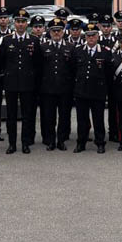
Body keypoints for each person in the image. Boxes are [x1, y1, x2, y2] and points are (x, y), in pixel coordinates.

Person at [0, 9, 39, 154]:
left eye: (23, 22)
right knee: (11, 115)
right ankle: (12, 143)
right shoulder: (7, 40)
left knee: (27, 115)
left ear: (27, 24)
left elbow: (38, 63)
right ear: (14, 23)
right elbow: (0, 62)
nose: (20, 24)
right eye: (18, 21)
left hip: (28, 83)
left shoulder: (34, 40)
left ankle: (25, 143)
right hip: (11, 83)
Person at [72, 24, 112, 152]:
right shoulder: (77, 50)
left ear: (97, 36)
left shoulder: (105, 51)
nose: (90, 38)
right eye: (88, 35)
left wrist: (106, 91)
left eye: (93, 35)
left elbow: (109, 73)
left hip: (98, 91)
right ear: (85, 36)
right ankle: (81, 142)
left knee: (98, 118)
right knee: (82, 119)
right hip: (81, 90)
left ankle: (100, 142)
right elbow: (72, 71)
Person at [37, 17, 73, 151]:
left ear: (63, 31)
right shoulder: (43, 47)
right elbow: (39, 69)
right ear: (49, 32)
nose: (56, 33)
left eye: (58, 30)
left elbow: (73, 69)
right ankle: (50, 140)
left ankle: (61, 140)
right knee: (49, 116)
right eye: (53, 31)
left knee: (64, 116)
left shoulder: (70, 47)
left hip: (65, 88)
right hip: (48, 88)